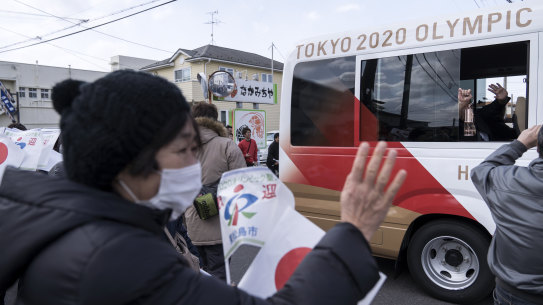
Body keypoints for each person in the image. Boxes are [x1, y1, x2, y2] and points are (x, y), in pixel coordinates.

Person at [0, 70, 406, 305]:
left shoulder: (61, 220)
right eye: (184, 149)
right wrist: (352, 229)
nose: (194, 163)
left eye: (197, 147)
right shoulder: (117, 257)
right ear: (126, 157)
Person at [471, 125, 543, 305]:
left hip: (514, 293)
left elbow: (481, 171)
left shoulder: (508, 180)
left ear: (538, 147)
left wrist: (520, 144)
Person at [184, 102, 245, 281]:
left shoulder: (181, 147)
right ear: (215, 120)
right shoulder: (227, 146)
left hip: (192, 227)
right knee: (221, 277)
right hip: (221, 227)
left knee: (199, 274)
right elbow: (241, 185)